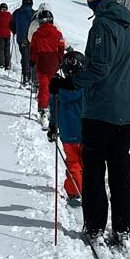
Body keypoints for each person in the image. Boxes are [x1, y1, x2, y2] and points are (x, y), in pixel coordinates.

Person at [51, 0, 130, 246]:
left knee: (93, 171)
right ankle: (124, 228)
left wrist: (70, 84)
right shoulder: (128, 25)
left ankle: (95, 227)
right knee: (120, 171)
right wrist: (122, 90)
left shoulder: (102, 26)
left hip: (100, 113)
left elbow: (98, 70)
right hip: (125, 114)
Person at [48, 50, 86, 208]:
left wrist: (52, 126)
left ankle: (74, 192)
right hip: (85, 131)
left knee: (73, 163)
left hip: (67, 132)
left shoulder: (57, 89)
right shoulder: (85, 88)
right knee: (85, 162)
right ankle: (86, 187)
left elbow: (53, 108)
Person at [29, 7, 65, 124]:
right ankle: (53, 109)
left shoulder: (36, 34)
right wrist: (60, 60)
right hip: (54, 62)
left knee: (43, 87)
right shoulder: (58, 34)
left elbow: (33, 50)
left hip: (41, 62)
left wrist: (32, 61)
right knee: (54, 87)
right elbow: (61, 48)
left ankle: (43, 110)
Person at [11, 0, 36, 86]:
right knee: (32, 57)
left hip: (20, 39)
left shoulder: (16, 12)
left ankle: (25, 76)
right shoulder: (34, 13)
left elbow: (12, 23)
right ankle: (33, 77)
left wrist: (14, 31)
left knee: (25, 57)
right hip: (32, 39)